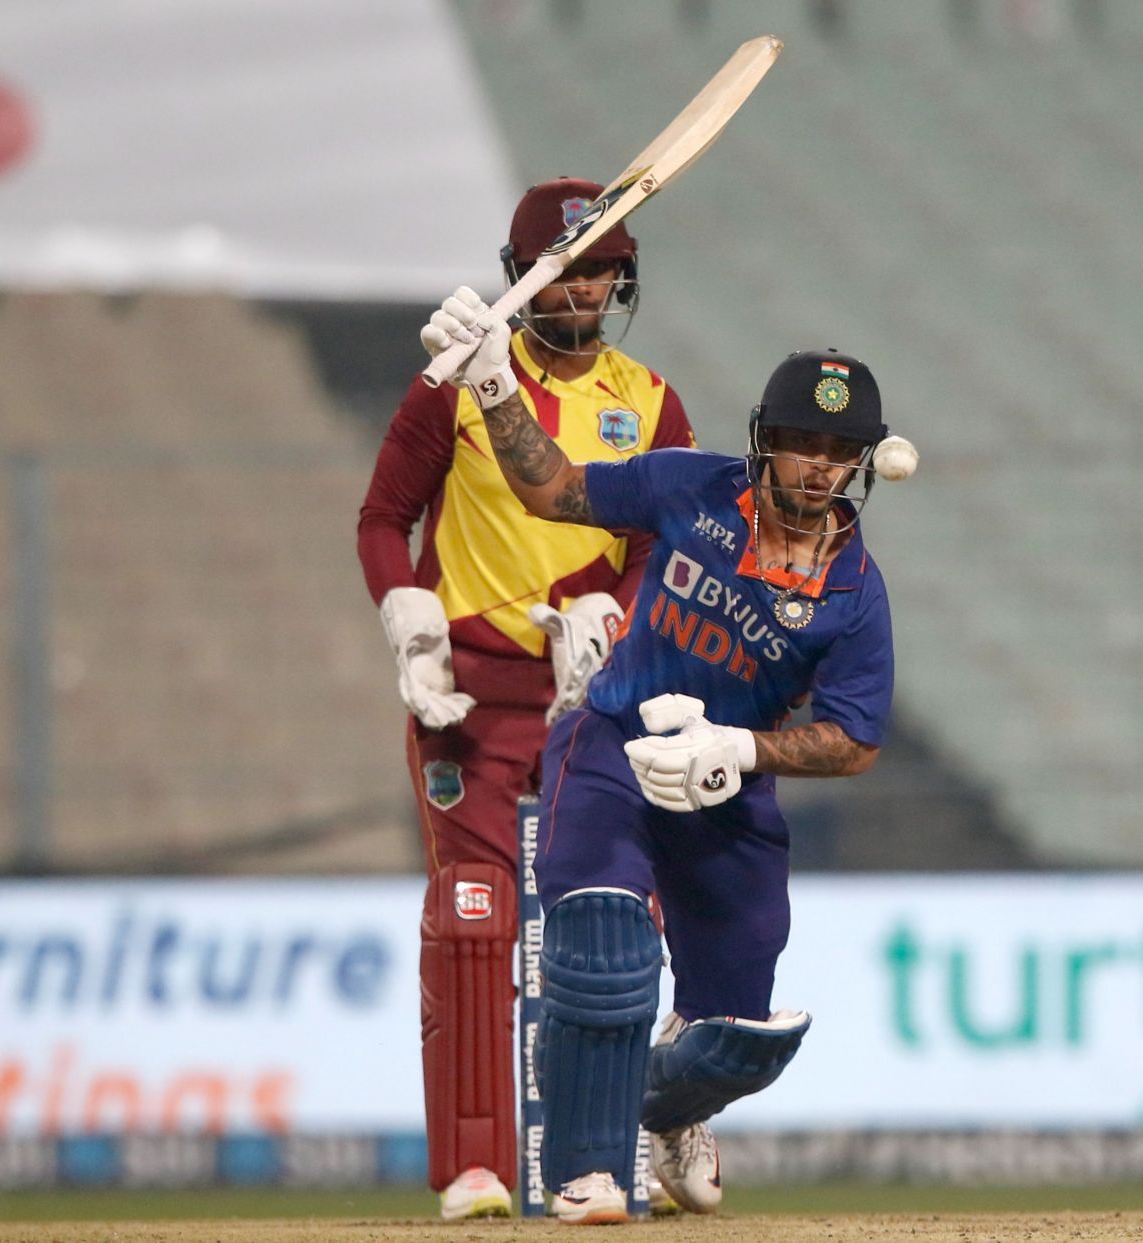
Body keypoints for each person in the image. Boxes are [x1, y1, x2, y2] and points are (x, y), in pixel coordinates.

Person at [420, 287, 897, 1225]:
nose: (824, 467)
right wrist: (491, 382)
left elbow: (854, 740)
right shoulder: (691, 484)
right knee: (601, 943)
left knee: (738, 1036)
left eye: (845, 453)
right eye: (808, 442)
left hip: (726, 785)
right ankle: (587, 1167)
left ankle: (673, 1115)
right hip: (612, 740)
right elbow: (553, 489)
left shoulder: (855, 591)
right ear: (765, 439)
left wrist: (739, 748)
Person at [357, 180, 694, 1222]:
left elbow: (662, 547)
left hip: (593, 699)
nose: (584, 287)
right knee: (474, 919)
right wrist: (409, 623)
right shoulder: (453, 381)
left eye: (600, 268)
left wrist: (617, 621)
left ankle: (628, 1150)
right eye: (565, 268)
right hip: (470, 698)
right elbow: (383, 519)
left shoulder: (649, 401)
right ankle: (475, 1165)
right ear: (523, 275)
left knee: (609, 931)